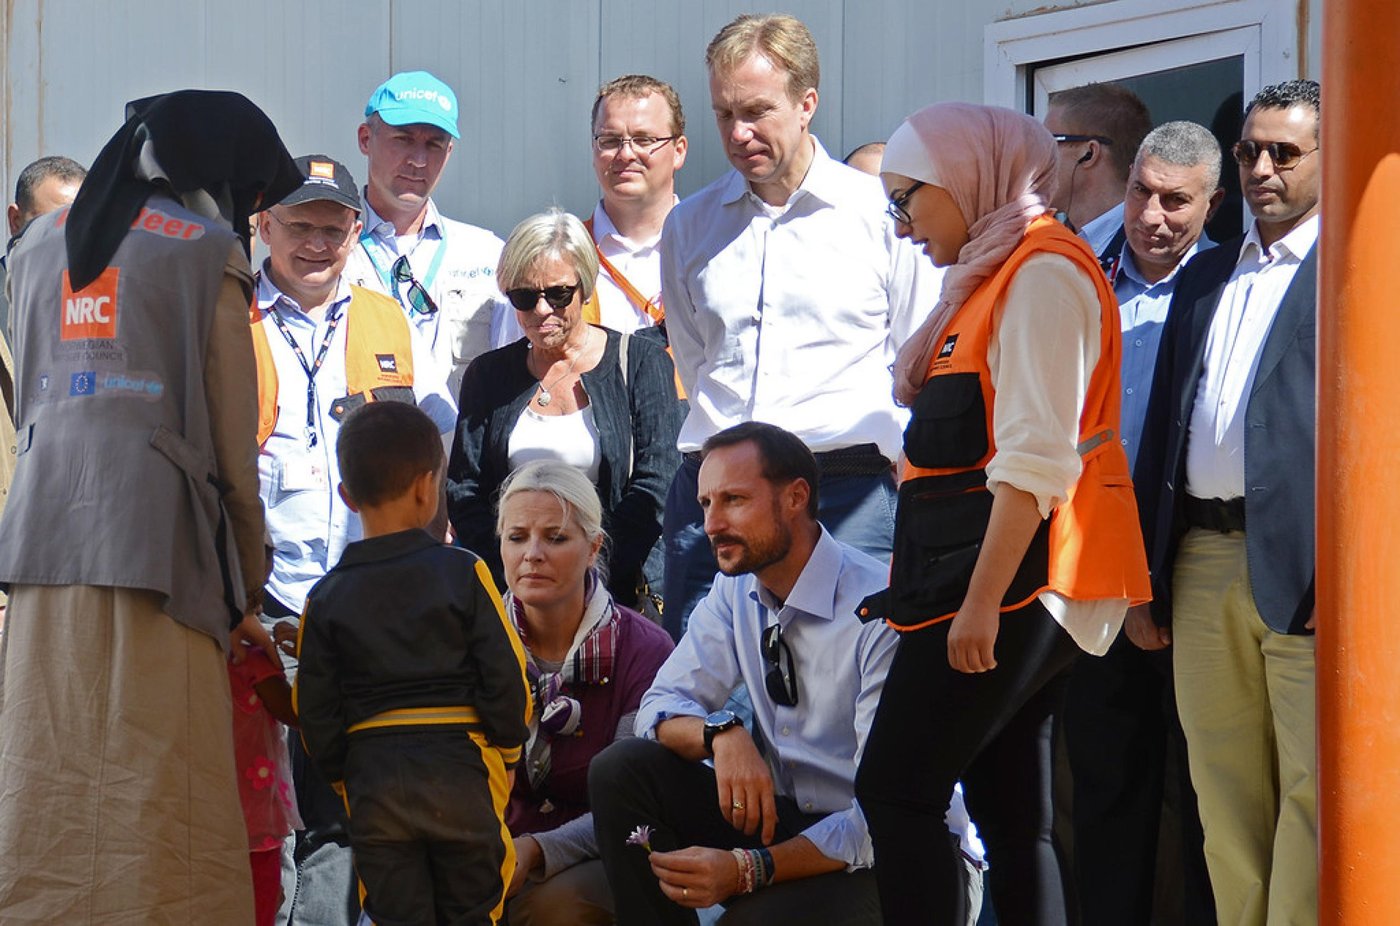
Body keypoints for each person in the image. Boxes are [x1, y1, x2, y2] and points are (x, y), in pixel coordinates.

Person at [0, 90, 302, 923]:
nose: (249, 209)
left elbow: (32, 402)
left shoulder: (31, 248)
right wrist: (247, 580)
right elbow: (233, 451)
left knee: (47, 778)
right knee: (159, 794)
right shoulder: (205, 252)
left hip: (38, 550)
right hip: (162, 558)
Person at [852, 102, 1150, 926]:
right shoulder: (991, 278)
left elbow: (1034, 461)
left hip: (1016, 585)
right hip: (986, 583)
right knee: (1012, 816)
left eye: (907, 198)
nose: (900, 223)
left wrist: (978, 607)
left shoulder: (1042, 274)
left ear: (964, 180)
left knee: (896, 789)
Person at [590, 422, 984, 926]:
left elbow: (881, 817)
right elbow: (660, 705)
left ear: (796, 496)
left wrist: (749, 869)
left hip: (904, 852)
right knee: (622, 770)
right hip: (793, 822)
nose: (711, 523)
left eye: (733, 499)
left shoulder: (882, 610)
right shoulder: (734, 591)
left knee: (749, 923)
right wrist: (721, 734)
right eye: (706, 503)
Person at [660, 13, 940, 639]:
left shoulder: (878, 216)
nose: (738, 132)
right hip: (714, 495)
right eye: (724, 114)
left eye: (757, 111)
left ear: (807, 103)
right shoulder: (690, 227)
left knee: (848, 690)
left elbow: (915, 361)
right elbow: (694, 357)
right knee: (707, 700)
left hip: (845, 494)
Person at [1133, 79, 1322, 926]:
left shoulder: (1357, 267)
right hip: (1202, 559)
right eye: (1250, 151)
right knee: (1222, 791)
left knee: (1312, 796)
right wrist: (1147, 577)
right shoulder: (1208, 273)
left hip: (1308, 569)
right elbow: (1164, 431)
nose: (1263, 168)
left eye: (1286, 151)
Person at [251, 153, 457, 926]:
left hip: (363, 605)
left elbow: (435, 436)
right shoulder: (225, 312)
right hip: (260, 608)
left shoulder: (386, 318)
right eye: (298, 225)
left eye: (332, 228)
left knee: (343, 801)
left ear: (356, 229)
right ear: (264, 226)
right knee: (265, 802)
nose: (315, 243)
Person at [1061, 120, 1223, 926]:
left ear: (1212, 202)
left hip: (1197, 563)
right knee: (1106, 788)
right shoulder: (1082, 280)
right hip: (1091, 566)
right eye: (1140, 193)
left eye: (1176, 201)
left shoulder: (1232, 284)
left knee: (1208, 799)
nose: (1152, 216)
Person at [295, 401, 530, 926]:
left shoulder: (325, 595)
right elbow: (506, 675)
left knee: (396, 915)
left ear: (346, 497)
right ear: (429, 488)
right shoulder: (464, 571)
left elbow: (314, 708)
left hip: (374, 779)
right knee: (475, 909)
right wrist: (509, 752)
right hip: (462, 767)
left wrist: (344, 777)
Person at [447, 209, 681, 609]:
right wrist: (517, 571)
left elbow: (656, 485)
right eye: (524, 296)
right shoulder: (489, 374)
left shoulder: (641, 362)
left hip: (617, 595)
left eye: (558, 294)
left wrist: (586, 572)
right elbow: (465, 490)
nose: (541, 310)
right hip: (514, 599)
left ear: (585, 289)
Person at [497, 460, 675, 925]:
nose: (532, 553)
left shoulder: (645, 650)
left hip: (607, 852)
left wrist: (535, 851)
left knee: (557, 907)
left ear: (593, 547)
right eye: (517, 537)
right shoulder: (471, 642)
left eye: (555, 538)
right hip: (489, 849)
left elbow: (633, 806)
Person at [344, 70, 517, 398]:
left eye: (433, 145)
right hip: (360, 444)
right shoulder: (331, 254)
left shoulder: (487, 253)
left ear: (449, 152)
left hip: (460, 447)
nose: (418, 160)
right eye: (403, 139)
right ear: (366, 139)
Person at [583, 75, 687, 336]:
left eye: (644, 140)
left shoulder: (714, 249)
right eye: (610, 141)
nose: (626, 154)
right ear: (593, 151)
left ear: (679, 151)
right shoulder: (562, 256)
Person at [228, 634, 302, 926]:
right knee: (260, 910)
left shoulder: (194, 657)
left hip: (202, 815)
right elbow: (296, 714)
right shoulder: (254, 662)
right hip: (258, 824)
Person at [1043, 82, 1151, 258]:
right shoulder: (1050, 244)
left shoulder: (1155, 249)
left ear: (1089, 153)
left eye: (1046, 142)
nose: (1035, 156)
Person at [3, 156, 86, 339]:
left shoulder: (95, 297)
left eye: (78, 223)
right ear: (15, 221)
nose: (63, 237)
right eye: (49, 224)